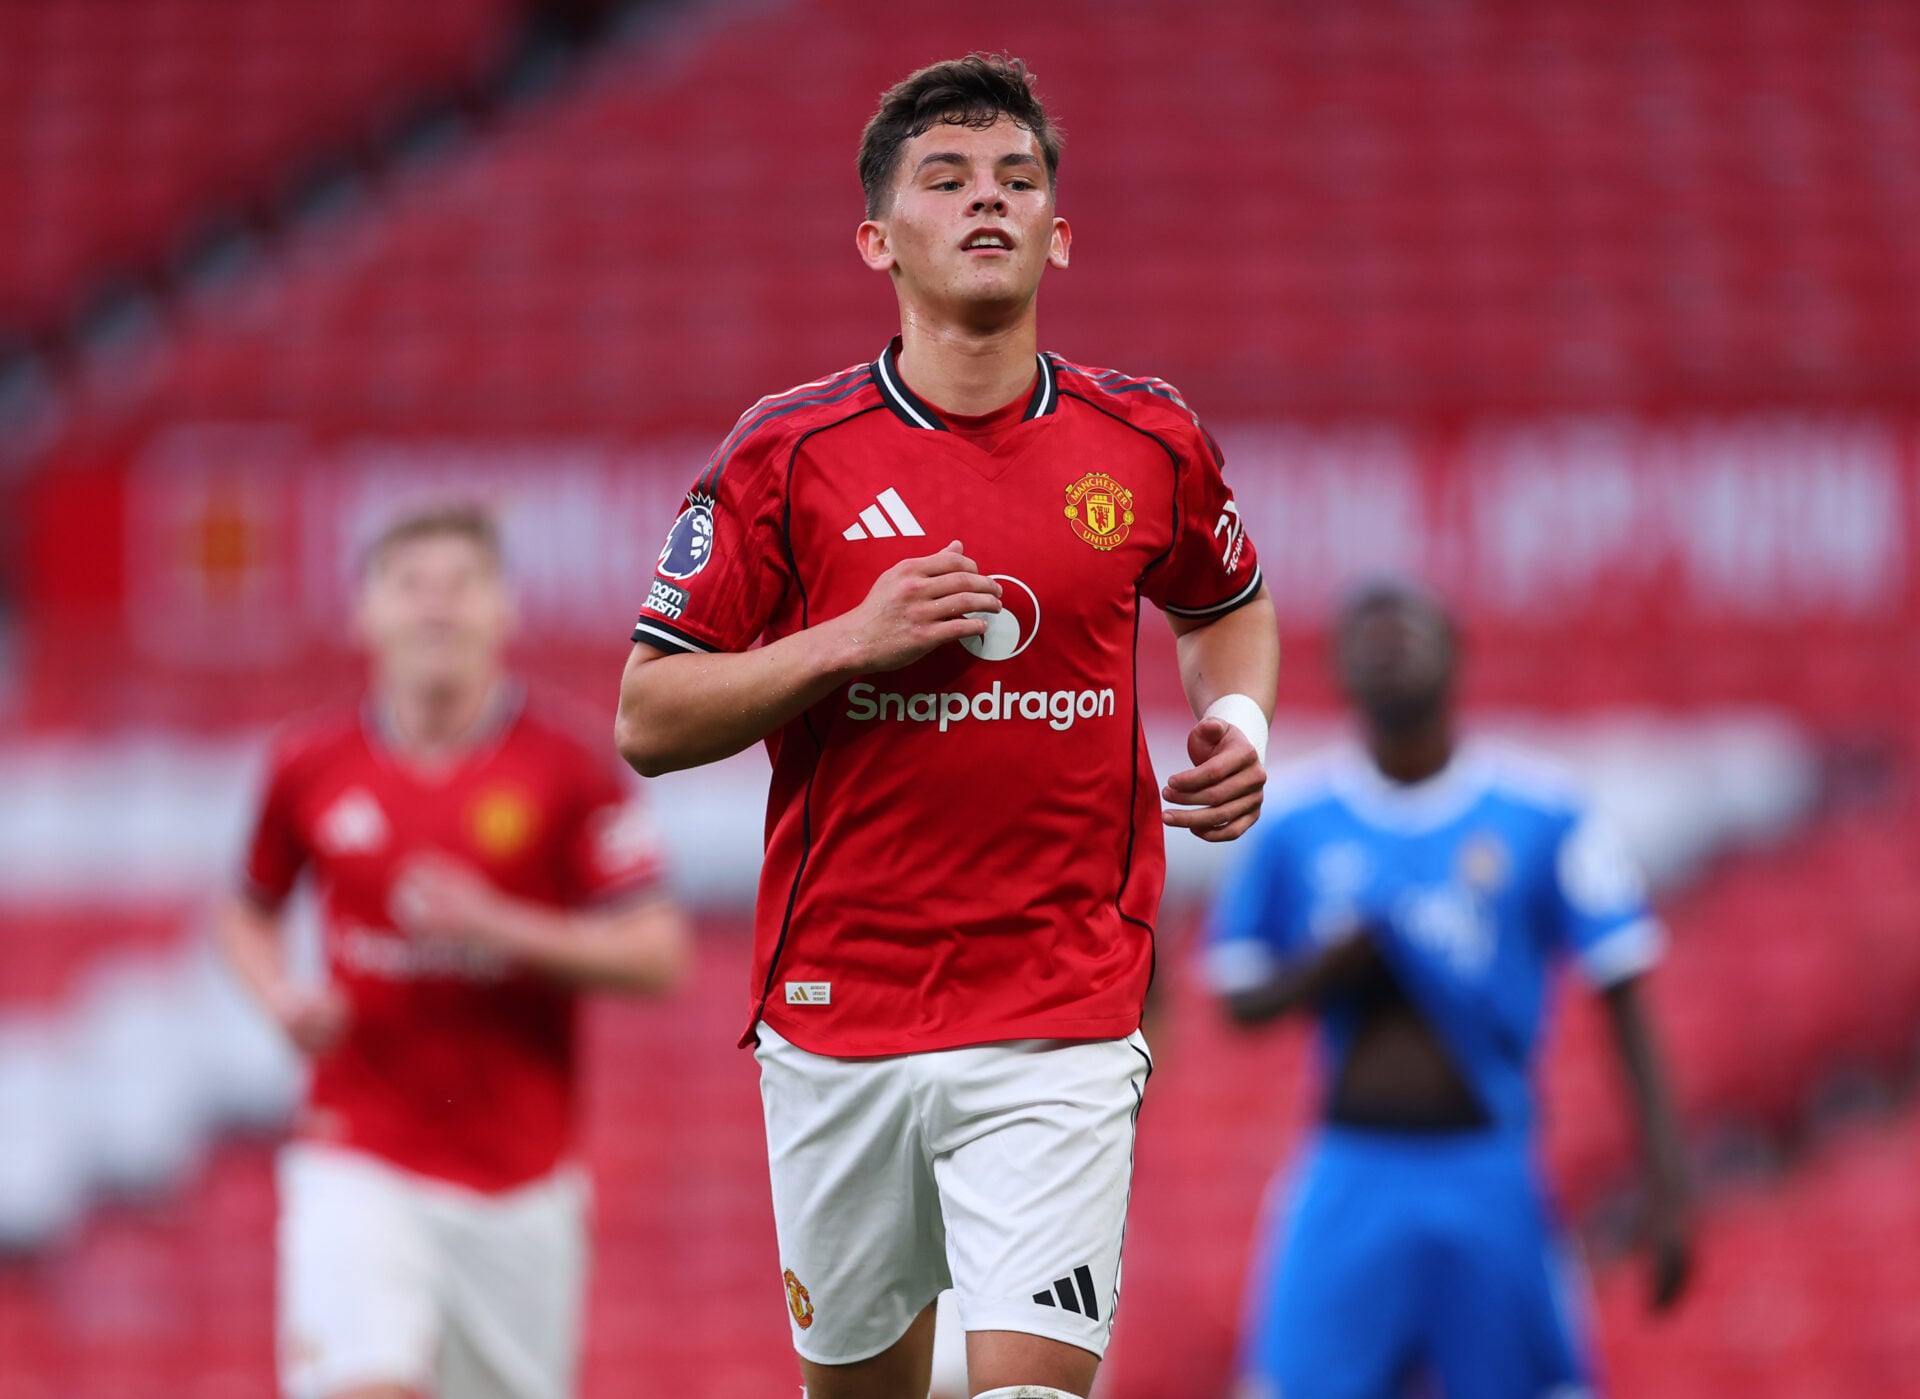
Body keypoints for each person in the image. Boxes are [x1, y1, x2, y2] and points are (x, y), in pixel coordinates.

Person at [615, 52, 1278, 1399]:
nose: (989, 199)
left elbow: (1228, 602)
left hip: (1062, 1005)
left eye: (1018, 180)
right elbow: (647, 713)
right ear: (878, 240)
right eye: (949, 178)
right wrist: (849, 639)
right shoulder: (786, 454)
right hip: (837, 1009)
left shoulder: (1147, 440)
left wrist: (1239, 719)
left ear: (1058, 233)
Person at [218, 504, 688, 1399]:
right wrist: (280, 994)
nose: (436, 605)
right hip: (357, 1150)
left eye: (461, 584)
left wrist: (497, 925)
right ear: (364, 612)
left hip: (519, 1182)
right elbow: (246, 911)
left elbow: (659, 951)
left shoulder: (569, 766)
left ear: (505, 609)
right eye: (410, 585)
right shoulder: (307, 763)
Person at [1205, 580, 1693, 1399]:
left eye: (1405, 631)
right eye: (1365, 637)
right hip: (1350, 1166)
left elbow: (1623, 986)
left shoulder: (1543, 812)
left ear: (1456, 650)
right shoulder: (1293, 819)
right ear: (1339, 671)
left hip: (1488, 1165)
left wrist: (1669, 1184)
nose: (1386, 646)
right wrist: (1329, 967)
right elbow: (1238, 995)